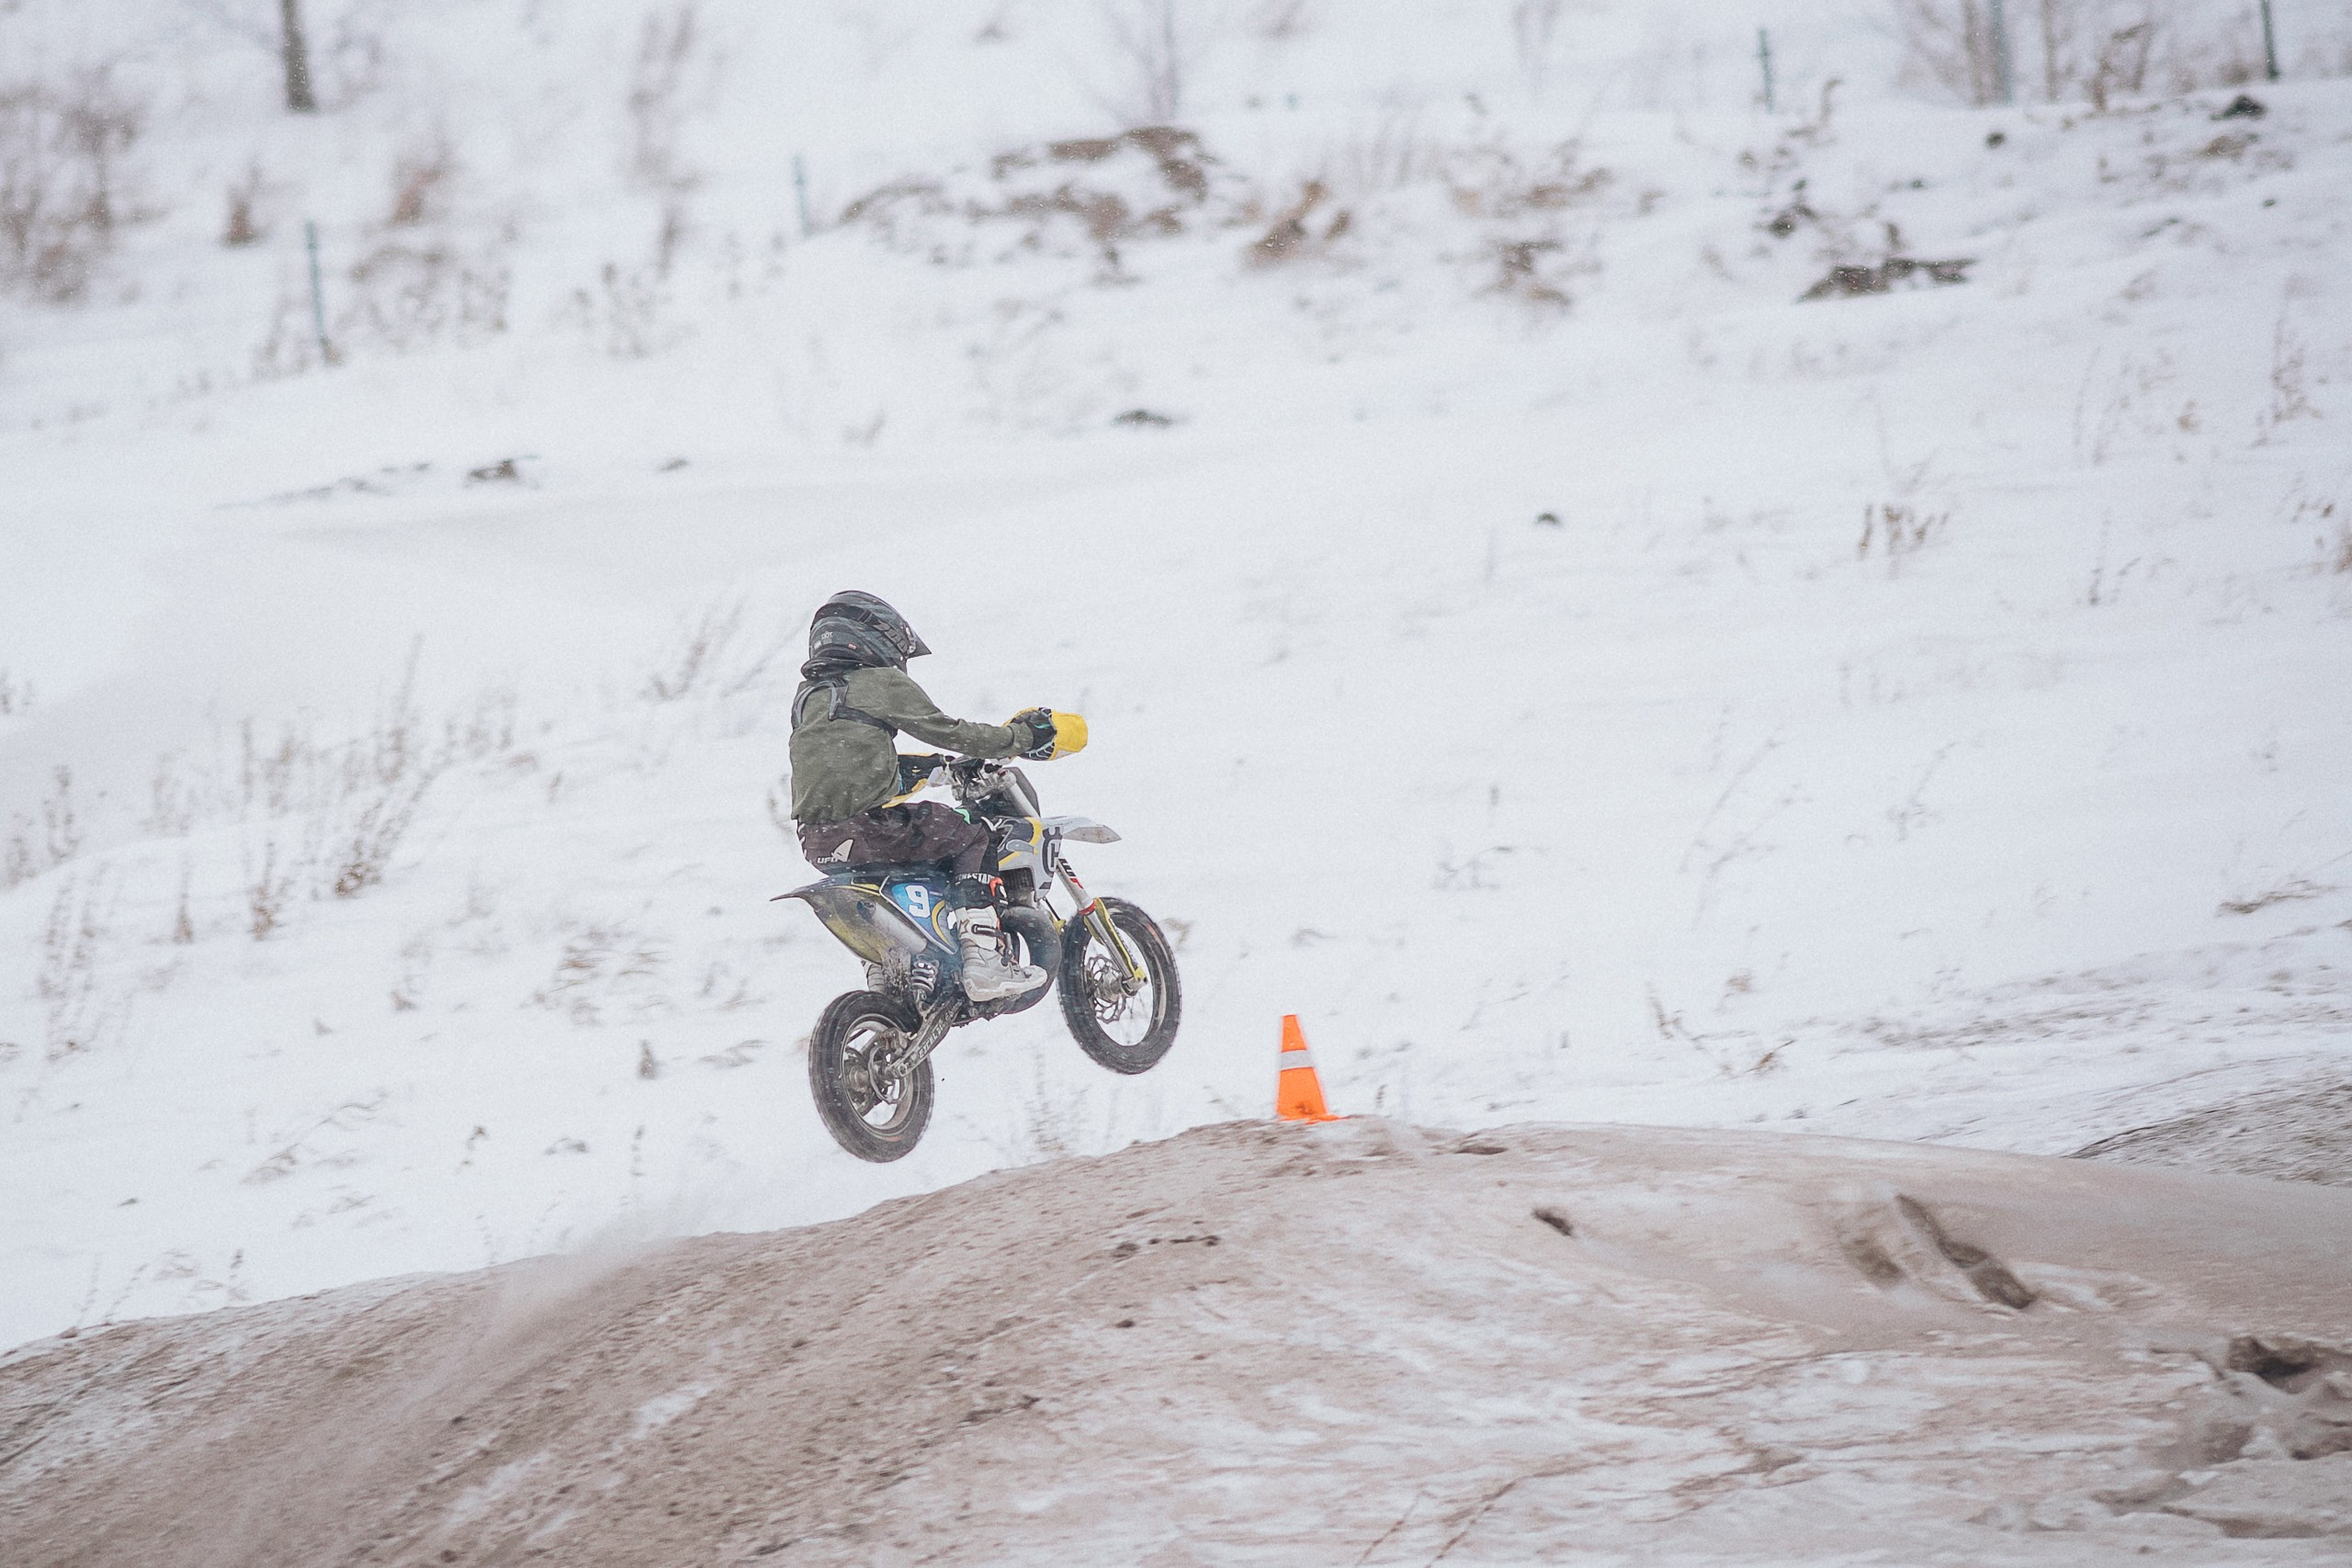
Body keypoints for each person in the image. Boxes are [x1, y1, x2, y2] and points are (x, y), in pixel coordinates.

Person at [786, 591, 1080, 1002]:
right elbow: (951, 730)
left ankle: (890, 975)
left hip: (819, 840)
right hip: (872, 829)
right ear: (874, 637)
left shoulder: (811, 699)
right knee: (974, 834)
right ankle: (982, 959)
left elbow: (850, 769)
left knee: (925, 842)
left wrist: (934, 769)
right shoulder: (878, 681)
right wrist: (1021, 738)